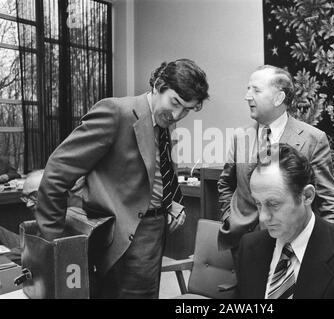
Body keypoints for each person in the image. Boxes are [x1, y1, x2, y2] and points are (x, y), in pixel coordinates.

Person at [34, 58, 209, 299]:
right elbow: (56, 173)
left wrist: (169, 203)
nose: (178, 114)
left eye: (187, 109)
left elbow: (153, 173)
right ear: (158, 86)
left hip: (154, 232)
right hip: (120, 237)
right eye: (175, 102)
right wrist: (54, 243)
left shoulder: (165, 120)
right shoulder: (116, 112)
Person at [218, 65, 334, 252]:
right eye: (248, 89)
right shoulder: (240, 136)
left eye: (256, 90)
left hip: (292, 246)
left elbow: (328, 201)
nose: (247, 96)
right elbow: (225, 184)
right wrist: (230, 217)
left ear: (279, 98)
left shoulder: (313, 139)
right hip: (244, 244)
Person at [237, 143, 334, 299]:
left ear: (307, 196)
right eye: (258, 204)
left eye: (273, 204)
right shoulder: (249, 247)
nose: (262, 217)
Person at [0, 169, 44, 265]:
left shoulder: (69, 216)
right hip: (27, 244)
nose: (28, 204)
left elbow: (31, 252)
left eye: (34, 196)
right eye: (25, 197)